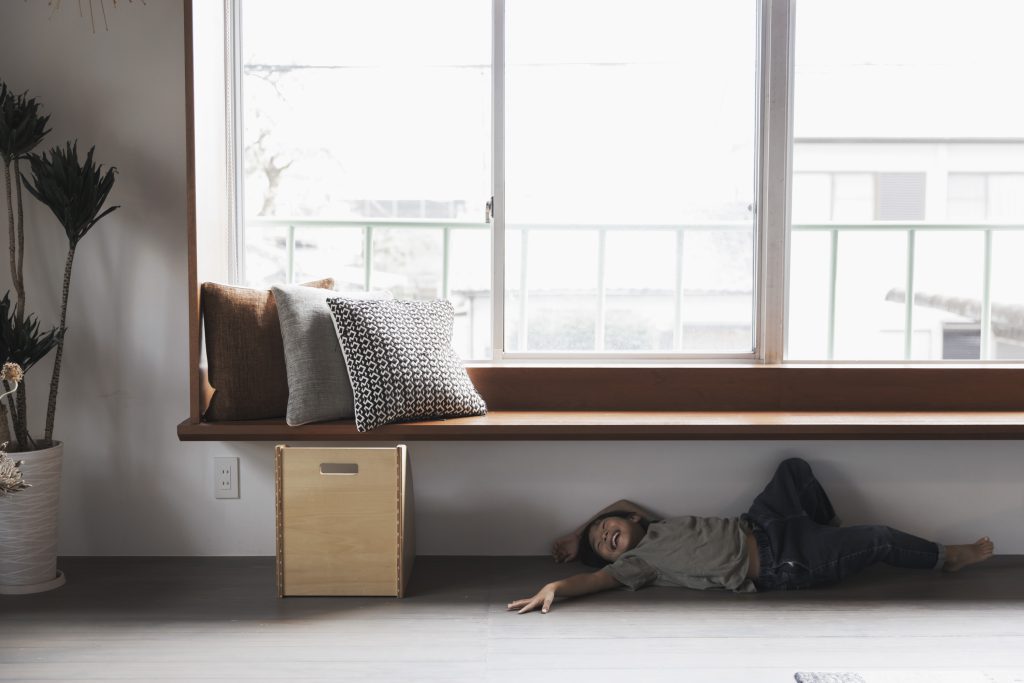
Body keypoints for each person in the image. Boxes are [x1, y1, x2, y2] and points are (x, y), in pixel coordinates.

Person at [507, 457, 994, 614]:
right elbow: (593, 581)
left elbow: (621, 501)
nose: (604, 535)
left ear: (632, 519)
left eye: (606, 527)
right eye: (599, 544)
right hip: (783, 563)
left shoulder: (649, 522)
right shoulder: (637, 564)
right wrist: (554, 586)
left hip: (762, 523)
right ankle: (944, 557)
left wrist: (576, 532)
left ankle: (827, 532)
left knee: (793, 468)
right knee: (880, 538)